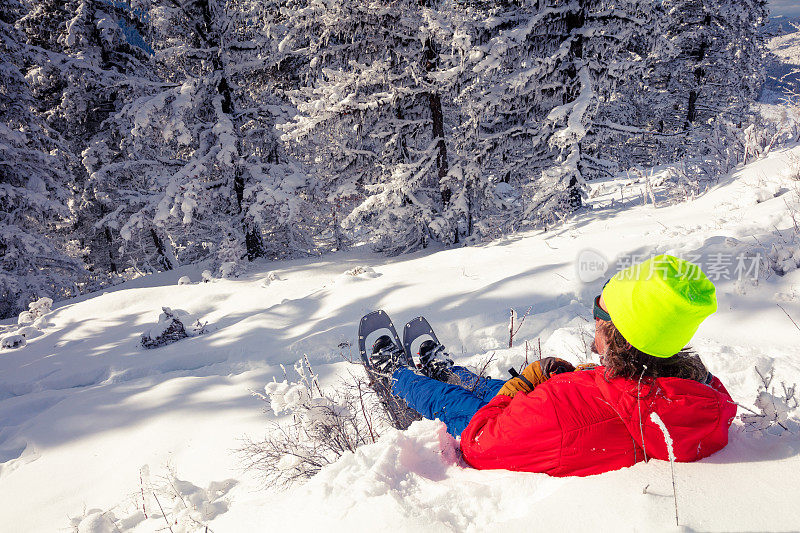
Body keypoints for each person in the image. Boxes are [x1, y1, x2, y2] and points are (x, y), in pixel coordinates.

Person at [373, 254, 736, 477]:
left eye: (599, 317)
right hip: (543, 410)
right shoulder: (698, 395)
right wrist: (573, 378)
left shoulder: (560, 413)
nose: (593, 326)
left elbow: (481, 443)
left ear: (616, 335)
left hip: (508, 423)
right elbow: (614, 403)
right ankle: (443, 368)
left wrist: (526, 384)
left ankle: (395, 376)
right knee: (489, 385)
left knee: (451, 401)